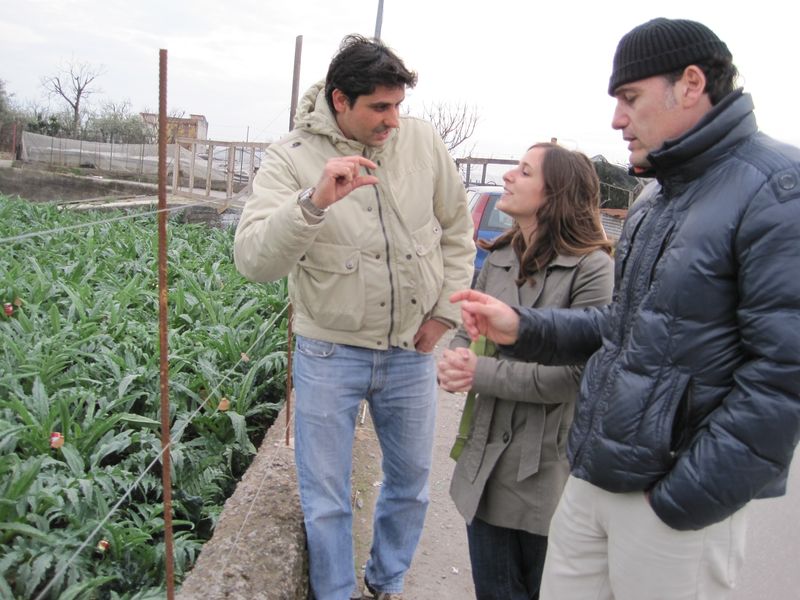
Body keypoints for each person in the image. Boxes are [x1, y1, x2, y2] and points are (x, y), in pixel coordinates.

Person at [451, 17, 800, 600]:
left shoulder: (778, 188)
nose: (616, 119)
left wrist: (683, 499)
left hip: (670, 501)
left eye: (630, 98)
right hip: (592, 480)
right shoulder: (655, 195)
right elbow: (622, 327)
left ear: (690, 84)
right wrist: (523, 326)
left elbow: (782, 380)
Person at [233, 35, 475, 600]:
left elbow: (459, 233)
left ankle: (385, 582)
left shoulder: (423, 142)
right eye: (379, 107)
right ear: (340, 100)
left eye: (397, 106)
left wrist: (443, 315)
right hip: (327, 352)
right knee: (325, 498)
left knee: (413, 485)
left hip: (410, 351)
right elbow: (253, 261)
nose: (393, 120)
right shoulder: (289, 158)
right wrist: (311, 204)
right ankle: (335, 594)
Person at [437, 142, 614, 599]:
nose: (508, 177)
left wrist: (480, 375)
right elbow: (469, 329)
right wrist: (457, 359)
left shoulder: (593, 267)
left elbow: (576, 377)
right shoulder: (497, 257)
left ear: (555, 193)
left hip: (549, 471)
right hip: (486, 461)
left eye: (524, 171)